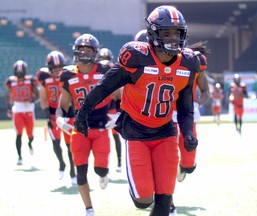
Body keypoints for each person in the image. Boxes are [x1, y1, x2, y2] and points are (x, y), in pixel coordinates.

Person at [74, 5, 200, 216]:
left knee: (164, 199)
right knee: (143, 201)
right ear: (153, 32)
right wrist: (83, 112)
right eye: (166, 32)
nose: (173, 38)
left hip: (165, 132)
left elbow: (185, 108)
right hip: (136, 132)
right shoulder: (137, 57)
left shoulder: (188, 62)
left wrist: (187, 133)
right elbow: (105, 86)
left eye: (177, 33)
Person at [56, 33, 122, 216]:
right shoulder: (68, 74)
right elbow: (63, 105)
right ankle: (89, 209)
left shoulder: (105, 70)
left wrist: (118, 115)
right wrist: (60, 119)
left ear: (95, 52)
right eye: (81, 50)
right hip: (80, 128)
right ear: (76, 52)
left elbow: (121, 96)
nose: (84, 53)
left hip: (101, 127)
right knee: (81, 173)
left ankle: (104, 173)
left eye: (88, 50)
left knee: (100, 169)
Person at [170, 41, 210, 215]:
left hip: (186, 117)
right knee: (166, 160)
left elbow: (205, 91)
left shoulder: (194, 61)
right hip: (163, 118)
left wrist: (196, 104)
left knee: (188, 165)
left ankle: (183, 167)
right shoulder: (154, 62)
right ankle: (167, 201)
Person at [36, 50, 77, 185]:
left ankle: (72, 171)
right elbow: (43, 97)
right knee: (56, 143)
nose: (57, 70)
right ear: (49, 68)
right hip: (53, 113)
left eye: (59, 67)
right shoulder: (44, 77)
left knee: (70, 144)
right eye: (54, 68)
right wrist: (47, 113)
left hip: (67, 112)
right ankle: (61, 164)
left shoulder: (68, 74)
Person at [5, 60, 39, 165]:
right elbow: (9, 95)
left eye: (21, 72)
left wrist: (32, 100)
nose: (19, 74)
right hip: (18, 109)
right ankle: (19, 157)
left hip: (28, 109)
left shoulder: (30, 80)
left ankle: (30, 143)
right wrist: (9, 108)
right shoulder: (11, 82)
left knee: (30, 134)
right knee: (18, 134)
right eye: (18, 72)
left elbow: (37, 94)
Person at [97, 47, 123, 172]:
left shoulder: (100, 69)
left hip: (108, 108)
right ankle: (115, 163)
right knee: (110, 137)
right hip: (108, 108)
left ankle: (115, 162)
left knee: (110, 137)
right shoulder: (109, 68)